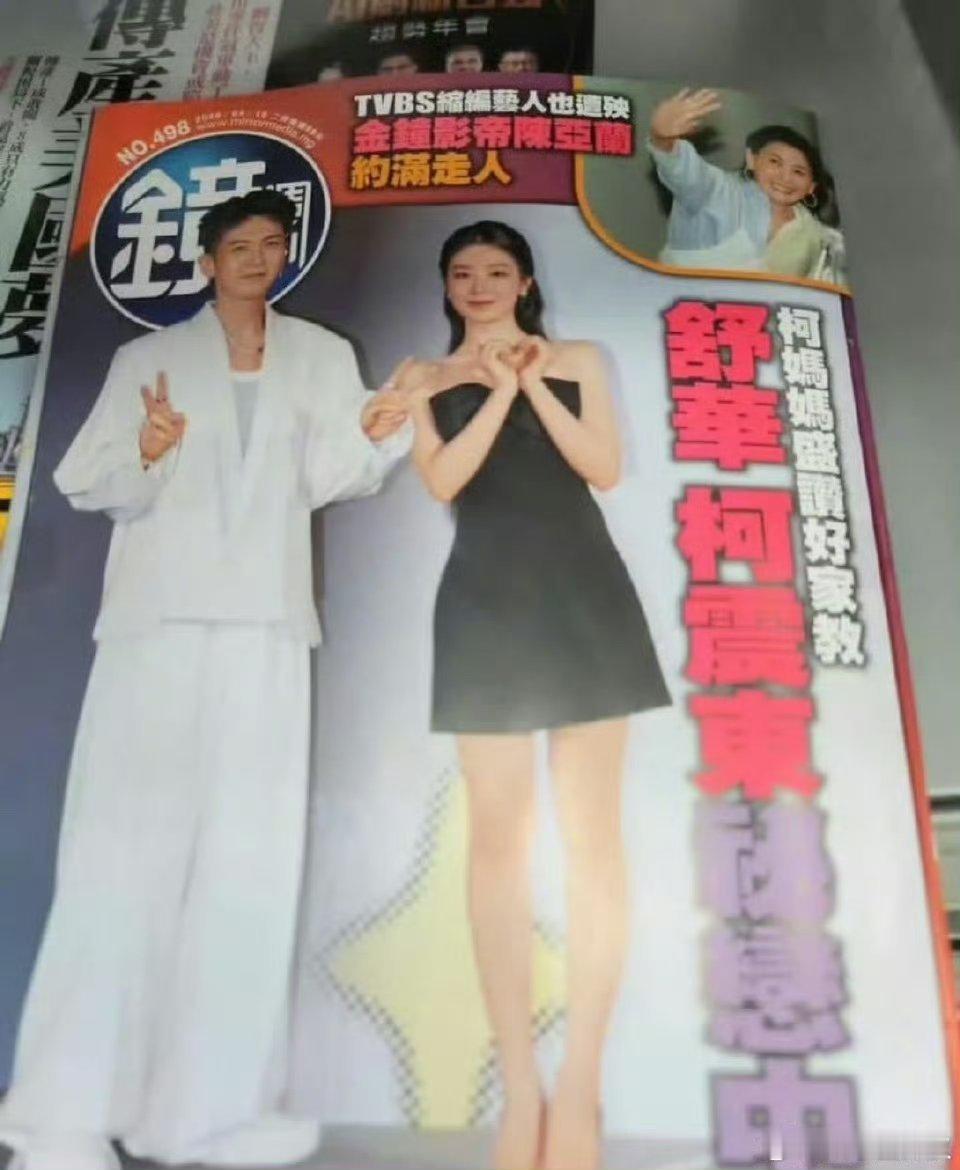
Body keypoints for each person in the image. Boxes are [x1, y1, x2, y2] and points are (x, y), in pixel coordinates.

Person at [0, 190, 411, 1170]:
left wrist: (379, 425)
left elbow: (330, 475)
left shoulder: (320, 357)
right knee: (120, 857)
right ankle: (61, 1118)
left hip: (267, 626)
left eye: (274, 244)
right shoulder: (146, 359)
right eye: (241, 245)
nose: (258, 259)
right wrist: (147, 452)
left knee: (247, 867)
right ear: (207, 258)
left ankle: (209, 1115)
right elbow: (86, 479)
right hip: (156, 627)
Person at [395, 222, 670, 1170]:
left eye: (496, 271)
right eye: (461, 272)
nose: (478, 285)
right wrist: (496, 390)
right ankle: (522, 1091)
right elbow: (445, 479)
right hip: (483, 607)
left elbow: (603, 467)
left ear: (524, 282)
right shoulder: (423, 377)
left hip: (584, 597)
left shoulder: (579, 359)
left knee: (594, 838)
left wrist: (532, 382)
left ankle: (581, 1083)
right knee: (498, 847)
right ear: (446, 285)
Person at [647, 88, 847, 284]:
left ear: (811, 186)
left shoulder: (814, 234)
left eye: (798, 172)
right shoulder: (720, 192)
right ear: (752, 160)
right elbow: (688, 175)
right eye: (775, 162)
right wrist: (662, 139)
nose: (785, 177)